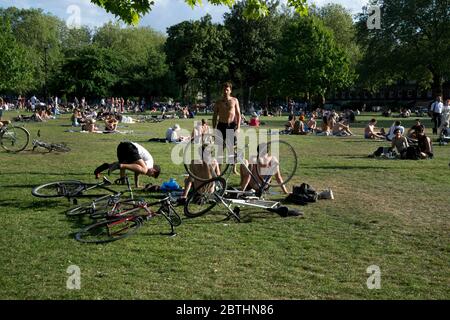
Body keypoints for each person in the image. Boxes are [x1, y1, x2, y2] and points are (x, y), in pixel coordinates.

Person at [94, 142, 161, 188]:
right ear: (153, 170)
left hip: (122, 146)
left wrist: (136, 185)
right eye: (151, 175)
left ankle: (105, 167)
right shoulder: (150, 164)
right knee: (144, 170)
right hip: (131, 148)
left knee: (126, 164)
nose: (149, 176)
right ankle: (119, 165)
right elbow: (140, 170)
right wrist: (122, 166)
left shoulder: (145, 162)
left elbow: (137, 170)